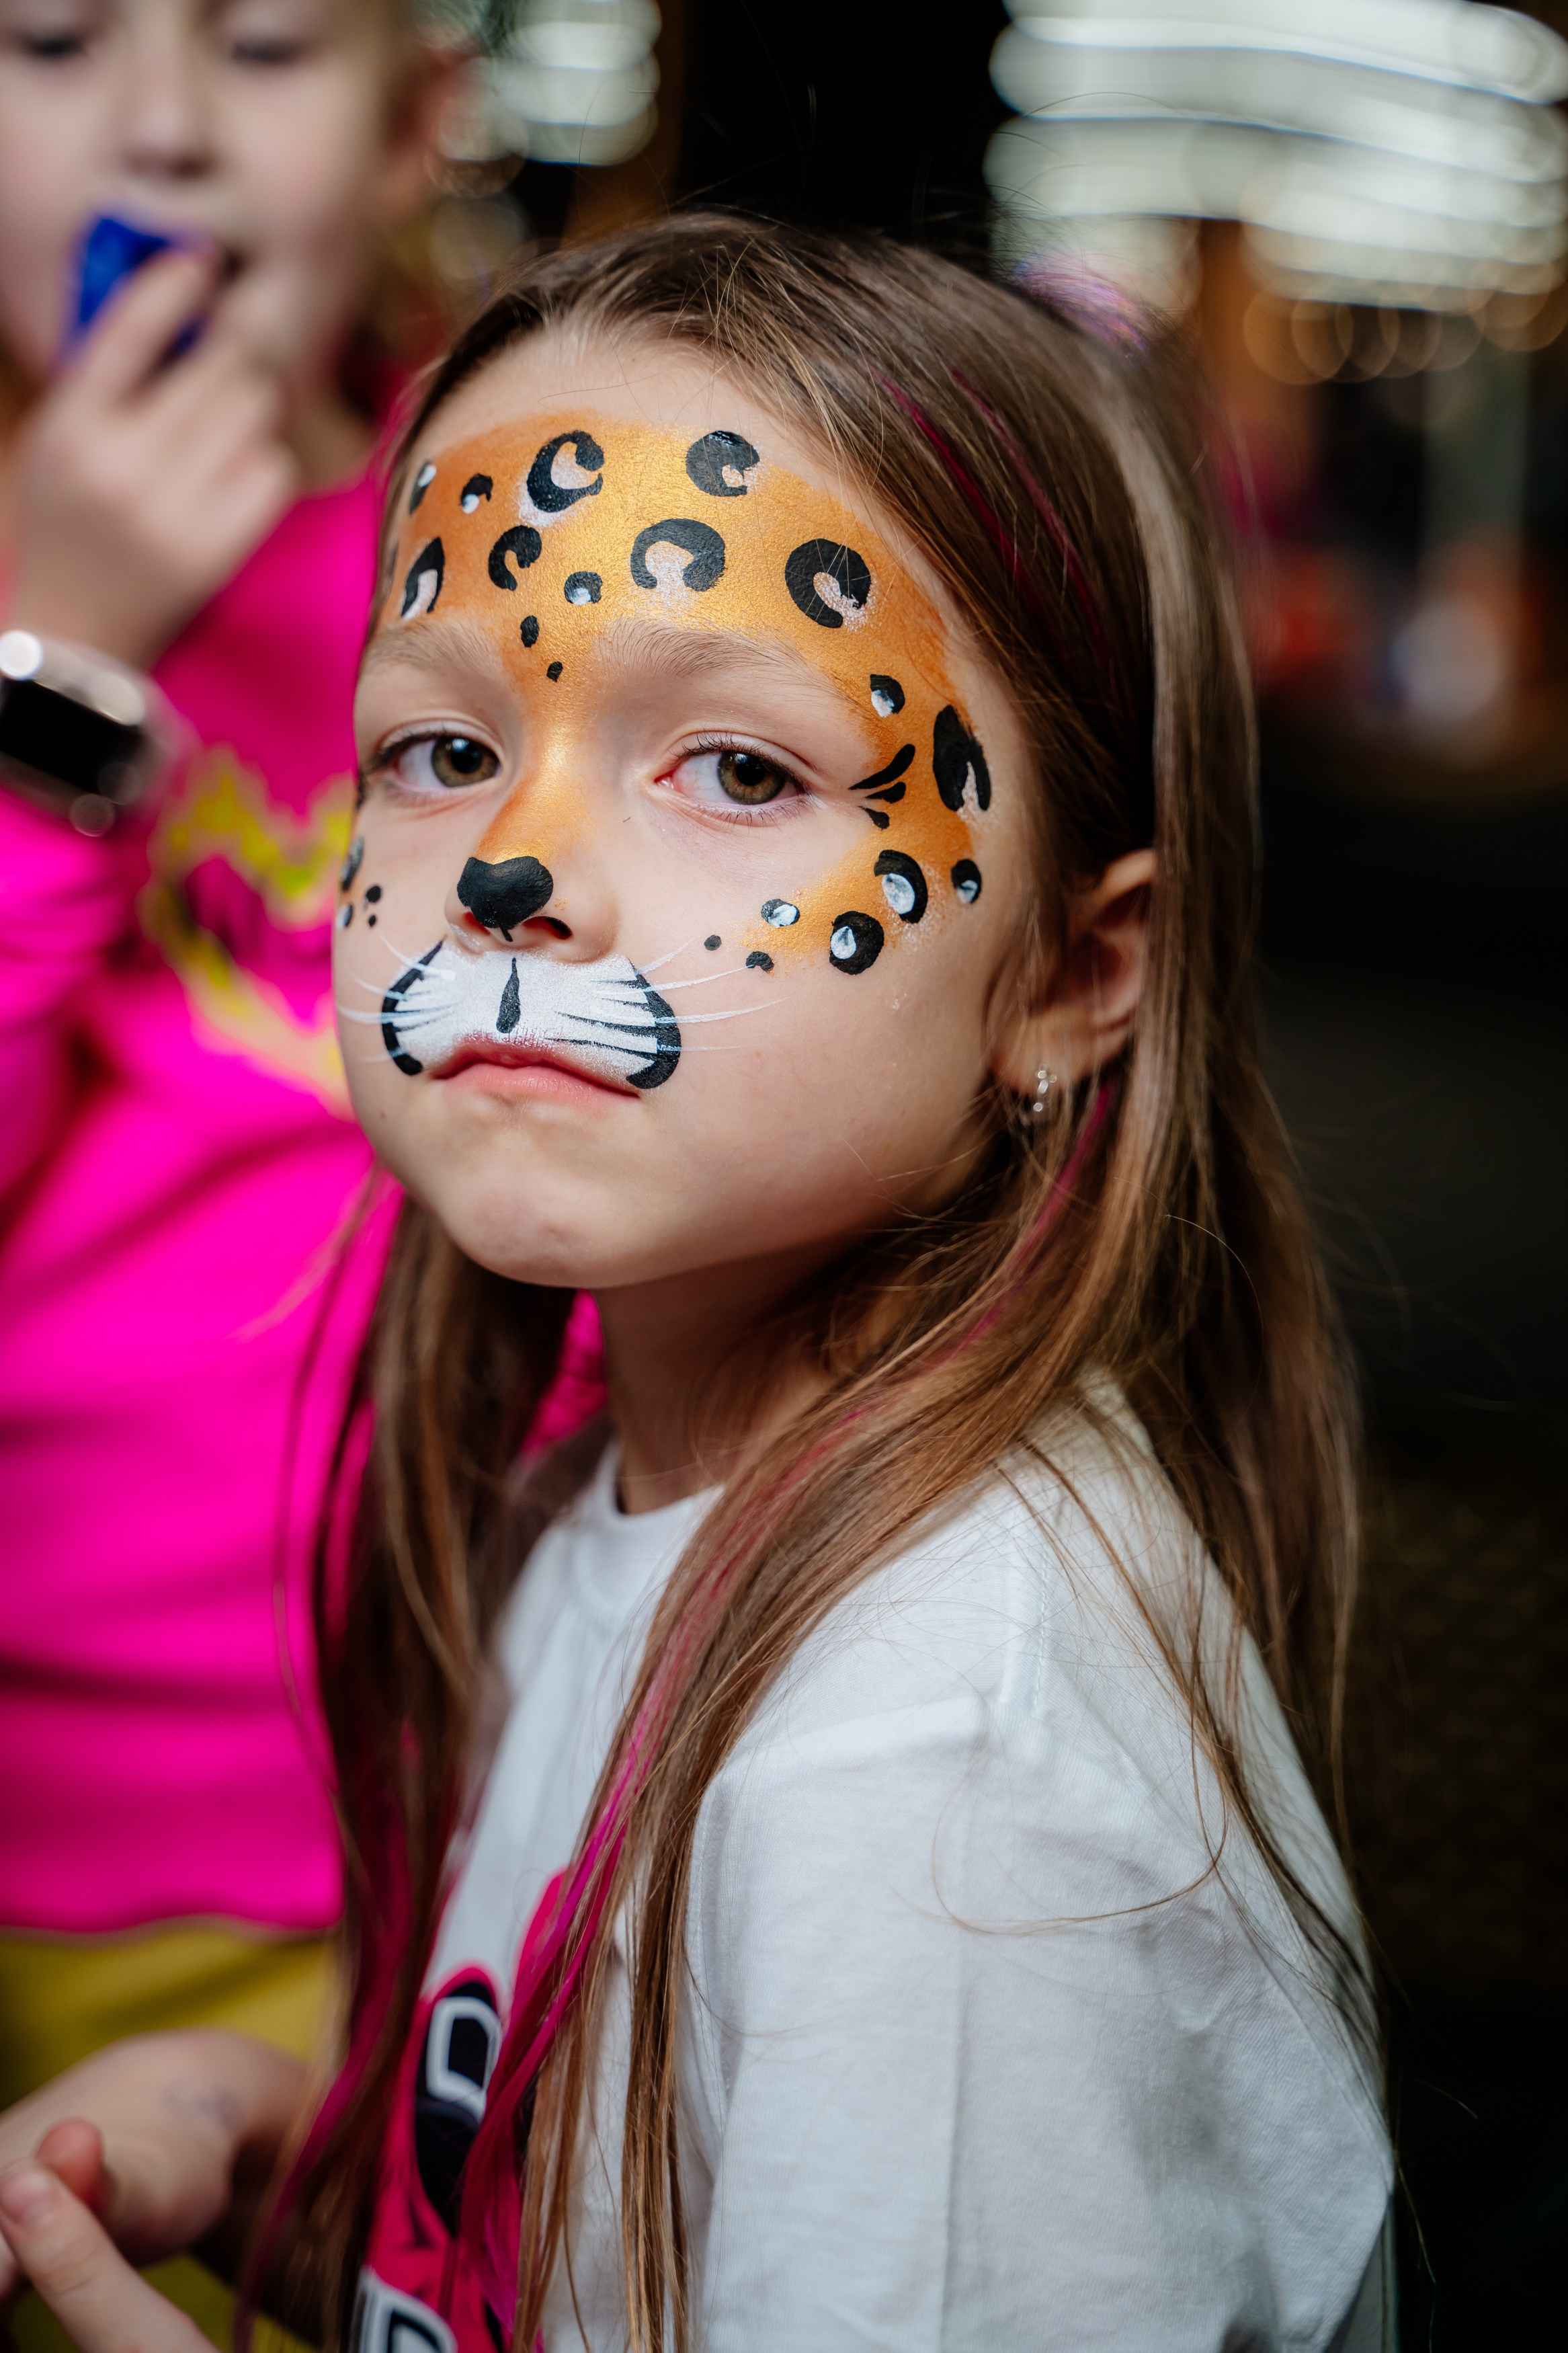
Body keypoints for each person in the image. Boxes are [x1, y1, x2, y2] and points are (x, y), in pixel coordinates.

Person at [0, 216, 1393, 2352]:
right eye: (440, 748)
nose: (513, 870)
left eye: (740, 768)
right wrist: (281, 2149)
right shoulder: (609, 1510)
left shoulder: (927, 1790)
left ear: (1077, 972)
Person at [0, 1, 502, 2336]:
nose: (168, 125)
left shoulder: (538, 544)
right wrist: (54, 668)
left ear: (419, 124)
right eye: (56, 37)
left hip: (404, 1831)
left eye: (274, 41)